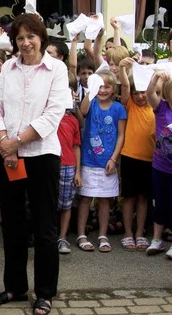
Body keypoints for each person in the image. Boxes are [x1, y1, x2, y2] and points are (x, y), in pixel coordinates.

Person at [0, 13, 69, 315]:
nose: (25, 43)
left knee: (44, 225)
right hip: (7, 156)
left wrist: (16, 141)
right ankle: (15, 287)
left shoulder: (56, 69)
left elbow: (53, 114)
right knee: (11, 223)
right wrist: (5, 144)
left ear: (41, 38)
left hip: (42, 156)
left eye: (30, 37)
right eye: (20, 38)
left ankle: (45, 291)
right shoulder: (8, 68)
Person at [76, 69, 127, 253]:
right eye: (100, 86)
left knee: (105, 201)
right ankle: (81, 234)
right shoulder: (92, 103)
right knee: (85, 199)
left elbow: (121, 135)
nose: (103, 90)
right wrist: (92, 89)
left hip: (108, 163)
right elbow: (82, 111)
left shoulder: (118, 108)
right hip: (89, 161)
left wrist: (114, 158)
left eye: (107, 86)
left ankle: (102, 234)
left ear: (114, 88)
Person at [145, 72, 172, 260]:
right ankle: (156, 239)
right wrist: (155, 78)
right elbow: (149, 94)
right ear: (167, 93)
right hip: (159, 167)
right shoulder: (161, 109)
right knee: (159, 203)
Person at [117, 57, 155, 251]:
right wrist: (123, 67)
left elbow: (155, 89)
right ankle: (128, 233)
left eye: (144, 92)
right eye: (137, 93)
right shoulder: (129, 104)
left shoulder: (154, 106)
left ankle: (140, 232)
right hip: (130, 156)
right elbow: (124, 85)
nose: (141, 96)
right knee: (129, 197)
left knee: (143, 198)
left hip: (150, 159)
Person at [55, 76, 82, 255]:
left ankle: (62, 237)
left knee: (66, 204)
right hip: (49, 164)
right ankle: (49, 235)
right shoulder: (47, 114)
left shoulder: (72, 119)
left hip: (68, 166)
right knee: (48, 202)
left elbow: (76, 146)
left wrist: (78, 172)